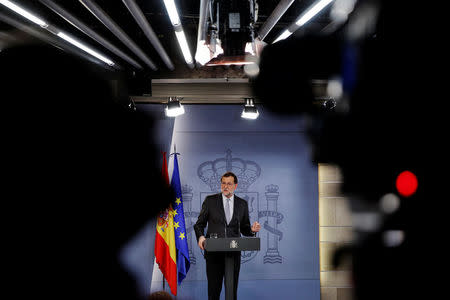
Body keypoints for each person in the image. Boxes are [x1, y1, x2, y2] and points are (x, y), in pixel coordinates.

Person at [194, 171, 261, 300]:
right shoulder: (210, 201)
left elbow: (245, 228)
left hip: (233, 254)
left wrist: (252, 230)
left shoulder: (242, 204)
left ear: (235, 186)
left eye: (229, 184)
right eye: (223, 183)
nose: (225, 186)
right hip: (214, 254)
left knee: (231, 292)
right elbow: (199, 224)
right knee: (213, 292)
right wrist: (201, 237)